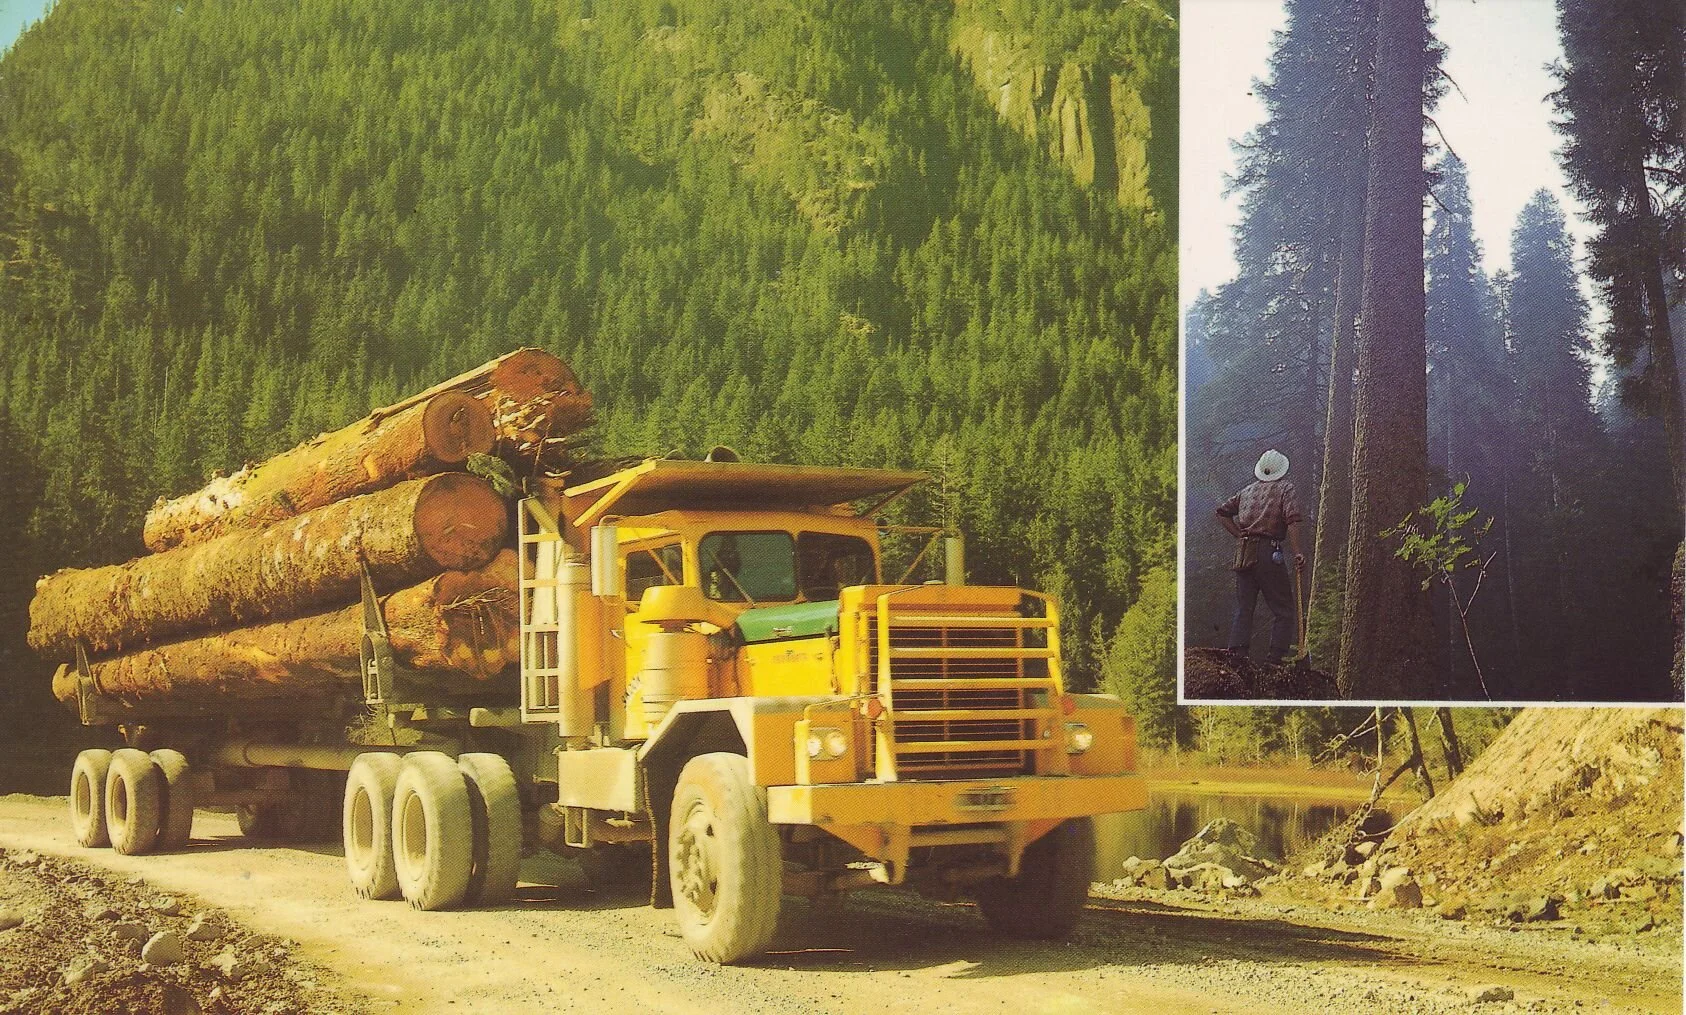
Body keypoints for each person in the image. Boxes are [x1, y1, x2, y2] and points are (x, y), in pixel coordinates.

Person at [1216, 449, 1306, 663]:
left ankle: (1237, 654)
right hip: (1269, 552)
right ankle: (1275, 659)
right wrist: (1297, 552)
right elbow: (1292, 520)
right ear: (1281, 469)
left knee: (1244, 606)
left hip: (1244, 553)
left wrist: (1239, 534)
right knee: (1283, 608)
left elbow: (1221, 512)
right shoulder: (1285, 488)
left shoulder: (1247, 491)